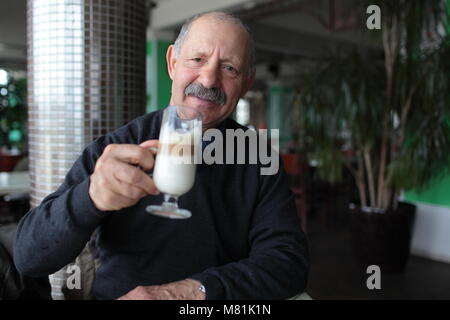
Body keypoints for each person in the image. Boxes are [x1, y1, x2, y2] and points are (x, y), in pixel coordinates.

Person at [13, 11, 309, 300]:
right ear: (172, 63)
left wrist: (189, 292)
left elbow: (288, 263)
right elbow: (28, 258)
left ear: (246, 83)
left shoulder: (256, 157)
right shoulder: (118, 148)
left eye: (229, 68)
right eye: (197, 60)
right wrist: (89, 197)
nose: (208, 80)